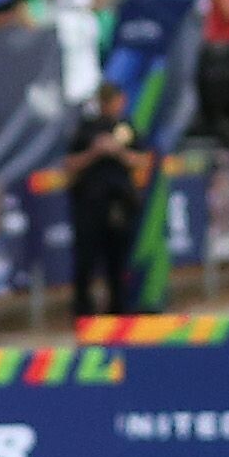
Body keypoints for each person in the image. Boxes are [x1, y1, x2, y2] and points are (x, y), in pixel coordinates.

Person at [66, 112, 144, 324]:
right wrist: (95, 152)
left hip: (119, 204)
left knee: (118, 261)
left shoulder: (126, 127)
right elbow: (69, 163)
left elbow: (141, 161)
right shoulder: (87, 129)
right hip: (90, 204)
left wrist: (117, 151)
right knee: (86, 260)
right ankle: (83, 312)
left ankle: (119, 310)